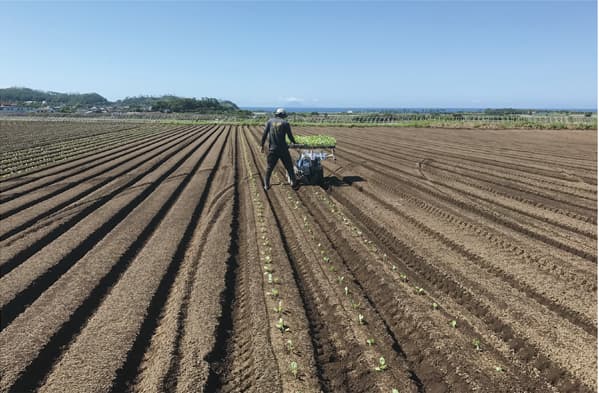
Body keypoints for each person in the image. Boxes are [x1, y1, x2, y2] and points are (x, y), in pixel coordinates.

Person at [261, 108, 300, 191]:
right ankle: (294, 184)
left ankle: (266, 185)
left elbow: (264, 135)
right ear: (282, 115)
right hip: (283, 150)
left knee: (269, 168)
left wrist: (262, 146)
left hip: (273, 149)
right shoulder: (285, 123)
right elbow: (290, 136)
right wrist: (294, 142)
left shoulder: (269, 122)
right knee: (289, 167)